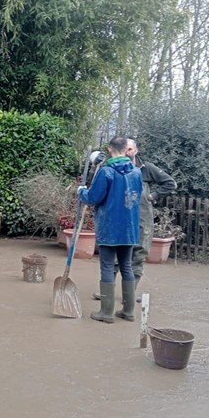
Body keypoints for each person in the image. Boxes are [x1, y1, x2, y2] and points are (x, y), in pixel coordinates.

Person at [92, 138, 177, 301]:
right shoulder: (111, 168)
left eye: (131, 149)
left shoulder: (145, 169)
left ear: (135, 150)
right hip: (122, 218)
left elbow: (170, 183)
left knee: (138, 255)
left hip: (142, 219)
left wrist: (152, 196)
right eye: (126, 149)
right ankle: (107, 293)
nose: (128, 152)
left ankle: (129, 296)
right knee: (117, 256)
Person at [78, 136, 142, 323]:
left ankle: (106, 313)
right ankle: (128, 312)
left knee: (107, 266)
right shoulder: (137, 173)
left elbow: (93, 198)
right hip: (130, 227)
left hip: (109, 227)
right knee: (127, 266)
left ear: (109, 149)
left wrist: (81, 191)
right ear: (126, 149)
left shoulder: (106, 172)